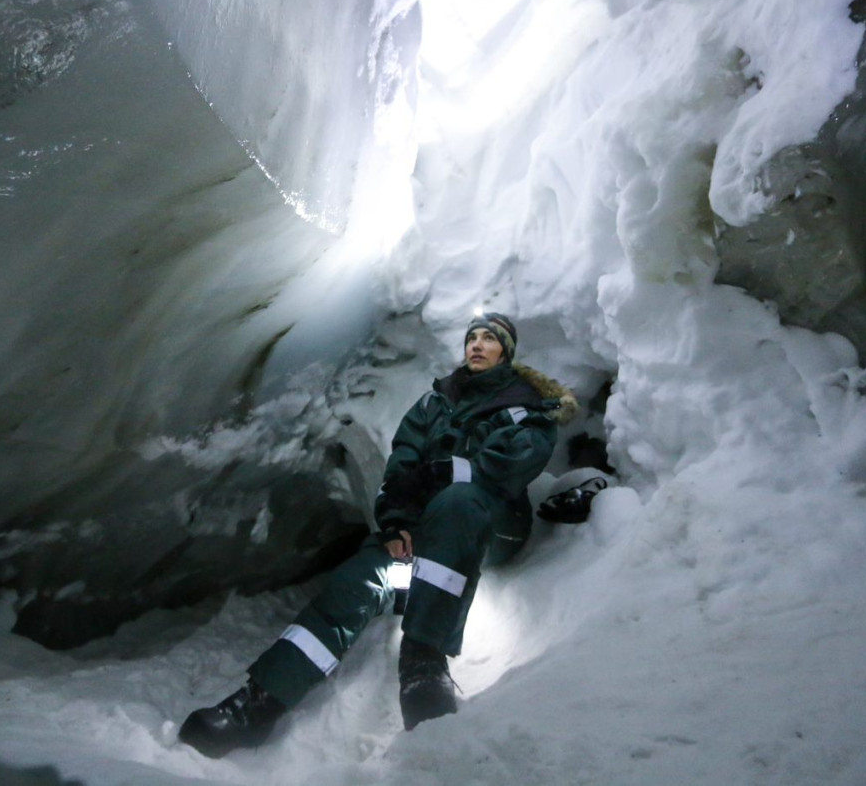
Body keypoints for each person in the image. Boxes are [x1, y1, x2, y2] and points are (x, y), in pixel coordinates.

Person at [178, 312, 577, 758]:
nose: (478, 345)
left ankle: (424, 662)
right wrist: (395, 523)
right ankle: (260, 702)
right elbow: (402, 469)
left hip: (493, 525)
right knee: (362, 577)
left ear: (507, 350)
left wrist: (445, 472)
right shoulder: (434, 405)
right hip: (432, 530)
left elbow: (517, 462)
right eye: (473, 337)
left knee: (458, 500)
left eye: (490, 338)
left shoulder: (526, 404)